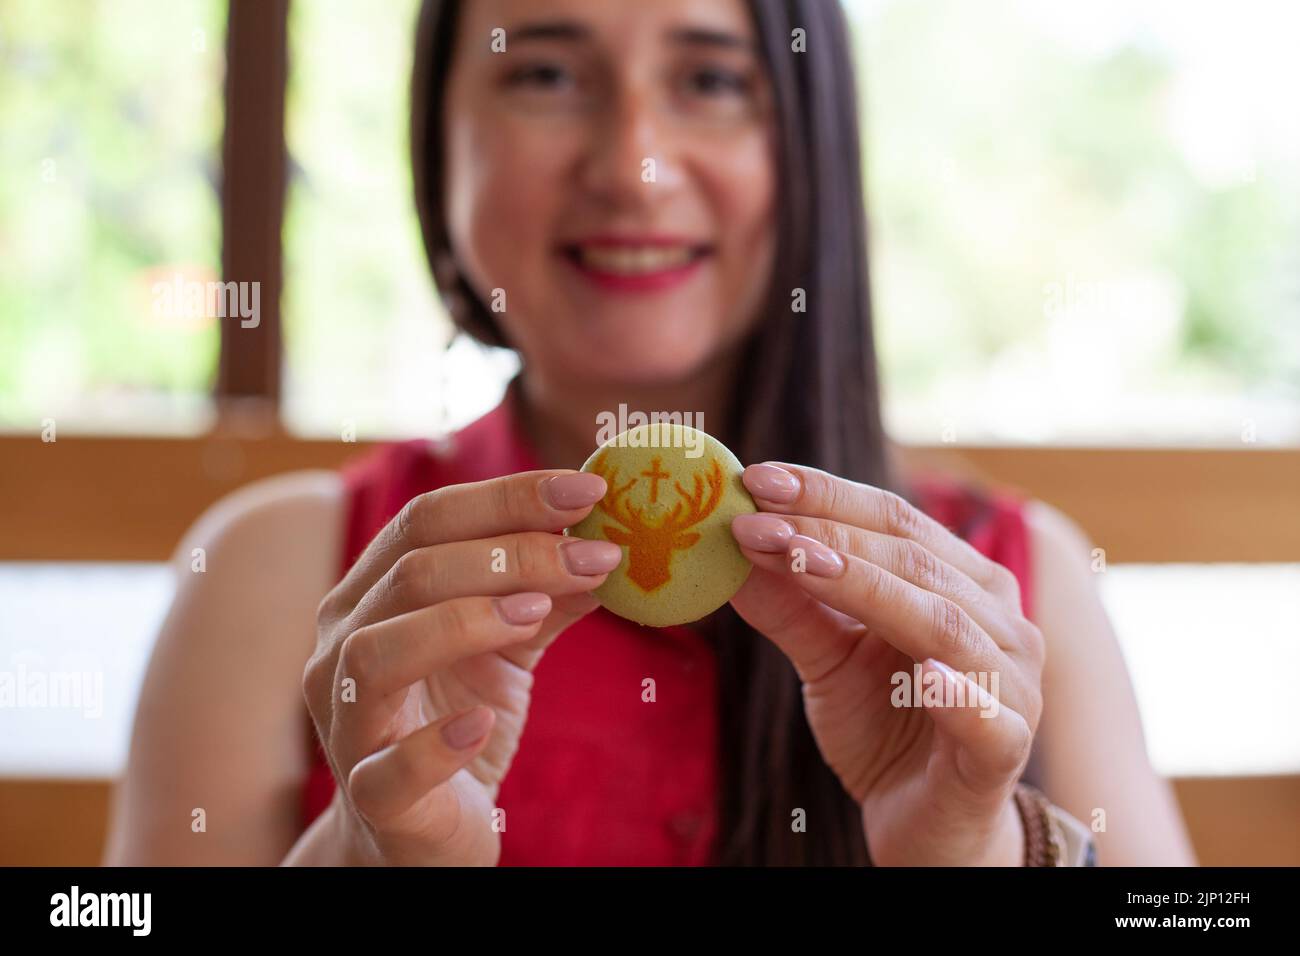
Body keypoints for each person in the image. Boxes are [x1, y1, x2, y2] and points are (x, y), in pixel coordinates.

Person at [102, 0, 1197, 866]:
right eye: (544, 73)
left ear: (809, 142)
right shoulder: (276, 566)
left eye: (712, 80)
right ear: (438, 143)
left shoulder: (1007, 582)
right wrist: (363, 852)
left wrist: (979, 850)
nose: (634, 163)